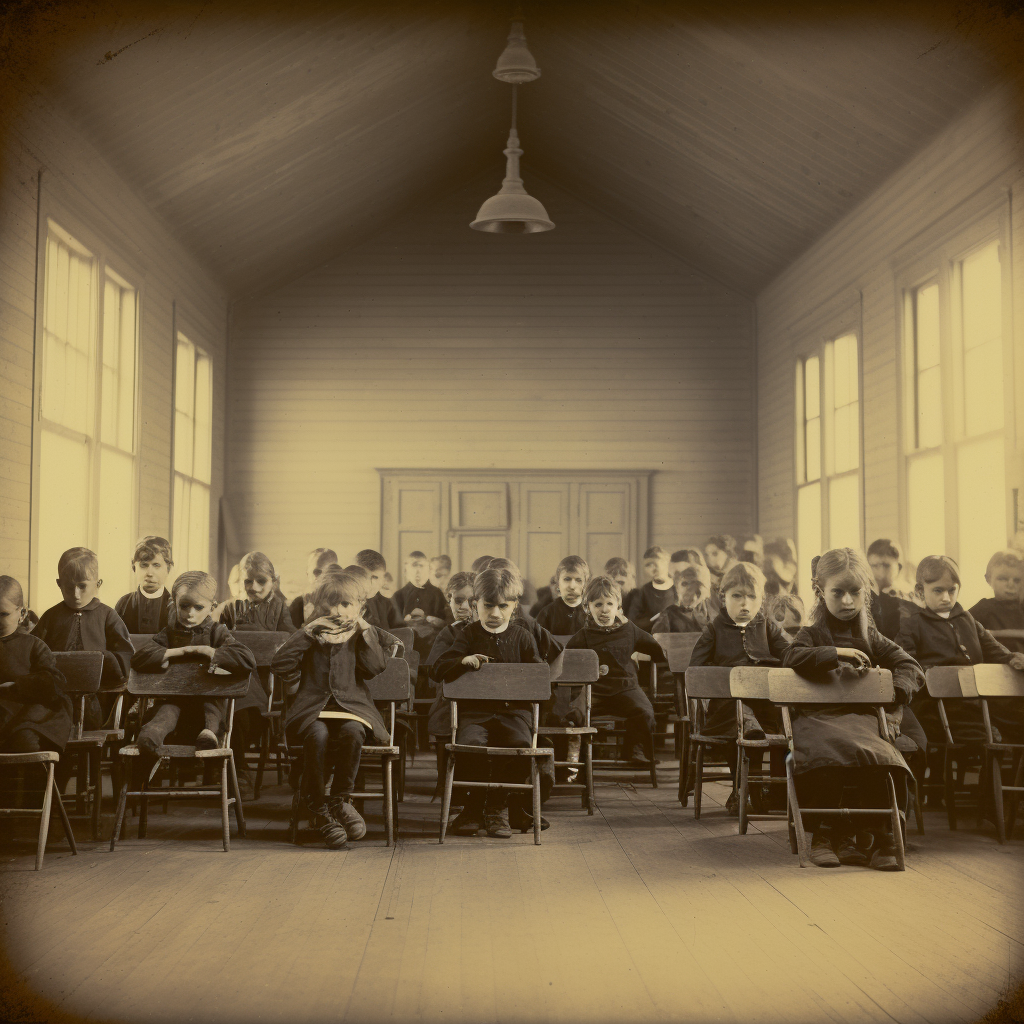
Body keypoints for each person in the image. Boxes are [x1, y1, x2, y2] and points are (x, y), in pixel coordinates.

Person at [783, 548, 924, 870]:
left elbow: (909, 665)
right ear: (820, 591)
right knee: (830, 752)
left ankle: (879, 836)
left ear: (866, 592)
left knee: (883, 755)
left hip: (862, 721)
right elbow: (791, 659)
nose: (847, 601)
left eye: (855, 592)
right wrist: (836, 652)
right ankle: (825, 834)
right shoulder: (811, 634)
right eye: (838, 592)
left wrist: (894, 697)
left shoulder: (871, 636)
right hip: (819, 720)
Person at [271, 567, 392, 849]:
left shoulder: (358, 636)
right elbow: (280, 665)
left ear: (360, 607)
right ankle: (317, 807)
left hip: (352, 709)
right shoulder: (312, 634)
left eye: (345, 604)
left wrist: (365, 630)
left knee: (353, 732)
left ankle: (338, 801)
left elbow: (376, 667)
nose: (337, 611)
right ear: (317, 606)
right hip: (312, 710)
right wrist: (306, 633)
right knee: (318, 735)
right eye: (329, 604)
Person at [430, 567, 545, 838]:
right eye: (488, 605)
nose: (495, 614)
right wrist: (460, 661)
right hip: (475, 714)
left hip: (514, 714)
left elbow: (538, 680)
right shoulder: (468, 635)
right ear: (475, 604)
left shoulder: (523, 637)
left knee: (519, 745)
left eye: (503, 606)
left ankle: (498, 809)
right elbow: (437, 669)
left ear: (514, 606)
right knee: (471, 744)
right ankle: (472, 808)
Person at [689, 562, 790, 814]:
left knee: (767, 723)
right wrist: (721, 679)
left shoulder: (767, 627)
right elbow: (696, 671)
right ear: (723, 598)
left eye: (751, 597)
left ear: (762, 600)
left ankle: (755, 792)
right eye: (737, 596)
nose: (745, 604)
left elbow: (791, 654)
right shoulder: (714, 629)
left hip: (765, 705)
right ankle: (744, 789)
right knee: (740, 720)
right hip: (727, 707)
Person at [895, 554, 1024, 746]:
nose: (946, 598)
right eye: (938, 591)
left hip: (974, 704)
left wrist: (1012, 657)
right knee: (980, 732)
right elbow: (908, 663)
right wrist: (936, 675)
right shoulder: (913, 624)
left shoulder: (967, 619)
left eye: (951, 590)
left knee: (1013, 722)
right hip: (935, 706)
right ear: (921, 591)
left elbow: (993, 647)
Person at [132, 571, 257, 767]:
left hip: (207, 704)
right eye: (184, 606)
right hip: (177, 703)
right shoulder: (168, 634)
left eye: (199, 607)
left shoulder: (217, 632)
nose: (191, 613)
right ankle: (151, 736)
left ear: (212, 607)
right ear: (175, 603)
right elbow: (140, 658)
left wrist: (208, 651)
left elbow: (246, 659)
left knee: (213, 709)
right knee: (166, 711)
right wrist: (179, 651)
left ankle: (209, 735)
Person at [565, 575, 667, 769]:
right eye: (598, 604)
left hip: (625, 688)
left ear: (618, 606)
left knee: (644, 712)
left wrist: (661, 656)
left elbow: (655, 649)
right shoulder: (583, 636)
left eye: (609, 603)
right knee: (574, 714)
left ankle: (635, 750)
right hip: (594, 692)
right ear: (587, 608)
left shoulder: (630, 630)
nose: (604, 610)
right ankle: (579, 758)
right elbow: (568, 663)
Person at [34, 546, 132, 730]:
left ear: (98, 584)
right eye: (69, 587)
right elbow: (34, 651)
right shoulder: (51, 616)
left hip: (96, 695)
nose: (76, 594)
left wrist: (100, 659)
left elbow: (124, 659)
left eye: (82, 586)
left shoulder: (108, 616)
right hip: (56, 696)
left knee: (91, 720)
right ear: (58, 583)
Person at [0, 576, 71, 762]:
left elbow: (53, 683)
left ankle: (35, 790)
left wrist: (16, 686)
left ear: (22, 613)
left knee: (24, 740)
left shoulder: (34, 646)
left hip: (28, 713)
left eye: (3, 614)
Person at [114, 536, 175, 634]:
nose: (150, 573)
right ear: (134, 567)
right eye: (144, 565)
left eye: (156, 565)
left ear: (168, 569)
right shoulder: (123, 604)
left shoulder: (174, 607)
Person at [969, 549, 1024, 655]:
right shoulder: (984, 608)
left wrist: (995, 633)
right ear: (988, 579)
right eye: (1003, 579)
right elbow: (960, 627)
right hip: (994, 666)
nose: (1010, 584)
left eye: (1017, 580)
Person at [651, 562, 713, 634]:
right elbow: (657, 640)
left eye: (695, 583)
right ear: (677, 589)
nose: (689, 588)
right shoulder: (669, 615)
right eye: (684, 584)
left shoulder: (712, 613)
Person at [535, 555, 590, 636]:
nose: (572, 586)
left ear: (585, 584)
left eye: (578, 580)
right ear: (558, 582)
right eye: (567, 579)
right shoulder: (546, 614)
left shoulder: (591, 613)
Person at [353, 549, 404, 631]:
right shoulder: (341, 602)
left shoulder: (387, 604)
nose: (369, 584)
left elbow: (401, 631)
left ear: (383, 579)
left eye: (375, 577)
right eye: (364, 576)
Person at [392, 551, 448, 623]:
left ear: (428, 569)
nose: (417, 571)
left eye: (421, 566)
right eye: (414, 566)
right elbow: (393, 626)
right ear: (406, 570)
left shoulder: (437, 594)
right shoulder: (398, 596)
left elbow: (445, 623)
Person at [628, 546, 675, 630]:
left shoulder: (678, 588)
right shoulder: (643, 592)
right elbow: (633, 621)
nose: (652, 569)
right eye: (648, 565)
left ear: (666, 563)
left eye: (656, 564)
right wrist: (654, 620)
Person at [289, 548, 338, 628]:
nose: (323, 577)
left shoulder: (344, 604)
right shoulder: (298, 605)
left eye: (330, 572)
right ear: (307, 573)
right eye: (317, 572)